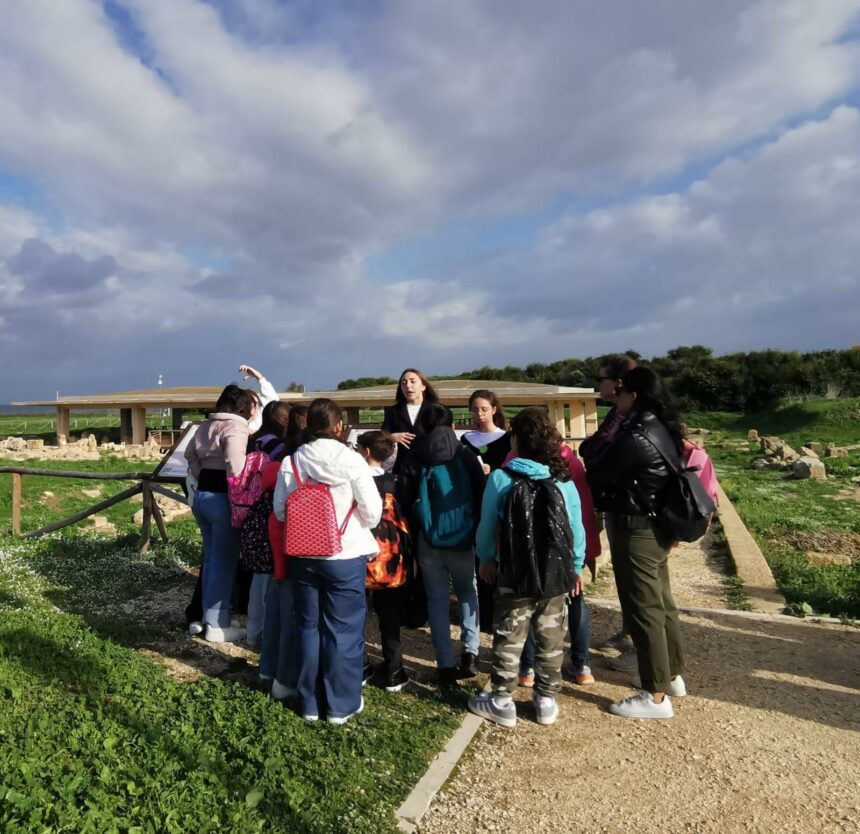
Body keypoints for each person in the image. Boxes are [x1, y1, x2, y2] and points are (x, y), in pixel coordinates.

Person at [469, 407, 585, 728]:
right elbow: (575, 528)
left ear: (516, 440)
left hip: (513, 571)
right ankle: (546, 700)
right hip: (555, 575)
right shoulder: (562, 480)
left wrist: (488, 560)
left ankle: (502, 701)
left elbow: (486, 526)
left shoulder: (501, 478)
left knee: (509, 636)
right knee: (551, 637)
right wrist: (575, 568)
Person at [586, 367, 687, 720]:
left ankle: (655, 695)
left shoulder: (636, 435)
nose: (617, 397)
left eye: (622, 392)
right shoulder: (665, 427)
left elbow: (596, 468)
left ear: (634, 395)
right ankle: (671, 676)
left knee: (642, 608)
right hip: (656, 523)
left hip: (636, 525)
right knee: (661, 602)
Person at [273, 399, 382, 724]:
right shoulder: (352, 462)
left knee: (307, 626)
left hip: (303, 556)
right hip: (345, 555)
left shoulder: (291, 462)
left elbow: (281, 512)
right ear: (338, 427)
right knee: (344, 629)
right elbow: (373, 514)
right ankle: (340, 704)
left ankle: (308, 702)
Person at [403, 403, 485, 685]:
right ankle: (471, 653)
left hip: (428, 540)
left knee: (436, 600)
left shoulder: (416, 457)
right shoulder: (466, 455)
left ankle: (445, 663)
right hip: (462, 538)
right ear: (452, 427)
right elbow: (480, 495)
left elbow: (405, 499)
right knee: (466, 592)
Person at [518, 442, 601, 688]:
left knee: (529, 603)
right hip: (567, 544)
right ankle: (582, 665)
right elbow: (581, 512)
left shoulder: (515, 463)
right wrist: (579, 560)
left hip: (529, 547)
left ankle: (528, 669)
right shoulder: (569, 466)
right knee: (576, 600)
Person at [579, 354, 639, 668]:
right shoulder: (616, 414)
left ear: (617, 383)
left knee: (638, 580)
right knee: (624, 576)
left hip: (633, 506)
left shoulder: (635, 417)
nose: (598, 384)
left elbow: (600, 449)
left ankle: (642, 649)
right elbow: (591, 447)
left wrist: (596, 450)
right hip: (616, 502)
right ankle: (630, 633)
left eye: (601, 378)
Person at [184, 383, 256, 642]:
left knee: (211, 560)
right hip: (223, 499)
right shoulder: (236, 426)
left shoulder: (206, 425)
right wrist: (241, 488)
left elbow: (190, 454)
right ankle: (217, 623)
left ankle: (203, 619)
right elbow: (234, 463)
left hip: (202, 496)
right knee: (224, 563)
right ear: (242, 407)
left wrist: (200, 473)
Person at [355, 430, 411, 692]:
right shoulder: (393, 482)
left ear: (365, 452)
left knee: (359, 615)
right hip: (391, 557)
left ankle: (361, 665)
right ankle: (394, 670)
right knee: (390, 616)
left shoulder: (356, 480)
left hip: (362, 556)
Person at [460, 389, 512, 634]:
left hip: (499, 503)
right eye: (475, 409)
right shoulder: (466, 440)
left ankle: (500, 610)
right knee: (479, 557)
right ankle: (482, 614)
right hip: (472, 502)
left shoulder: (506, 439)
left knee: (497, 555)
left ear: (494, 409)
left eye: (483, 408)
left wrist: (495, 469)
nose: (479, 414)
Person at [244, 400, 291, 651]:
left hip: (250, 507)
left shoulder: (254, 440)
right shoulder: (279, 446)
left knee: (257, 575)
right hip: (271, 509)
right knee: (270, 576)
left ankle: (253, 629)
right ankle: (263, 635)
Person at [381, 368, 439, 480]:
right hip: (403, 470)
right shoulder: (394, 411)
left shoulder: (436, 410)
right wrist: (392, 437)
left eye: (413, 381)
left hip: (430, 470)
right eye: (404, 383)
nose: (408, 386)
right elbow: (380, 437)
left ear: (423, 386)